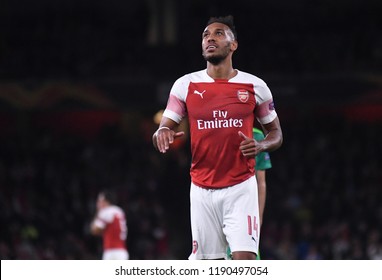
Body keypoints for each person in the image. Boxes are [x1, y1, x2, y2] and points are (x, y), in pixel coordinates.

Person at [152, 15, 283, 260]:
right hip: (202, 189)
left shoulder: (255, 86)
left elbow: (276, 133)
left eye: (219, 33)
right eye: (205, 34)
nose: (210, 37)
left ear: (233, 45)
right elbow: (163, 128)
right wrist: (163, 133)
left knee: (245, 261)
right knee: (210, 266)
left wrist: (261, 144)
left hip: (241, 187)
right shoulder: (185, 85)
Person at [227, 127, 272, 259]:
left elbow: (261, 183)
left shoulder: (257, 136)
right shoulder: (216, 129)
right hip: (220, 205)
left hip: (246, 210)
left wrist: (259, 216)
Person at [90, 190, 129, 260]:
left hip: (111, 252)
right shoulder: (119, 210)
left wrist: (98, 212)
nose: (98, 203)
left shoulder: (105, 211)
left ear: (106, 201)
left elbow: (94, 231)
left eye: (100, 201)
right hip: (122, 251)